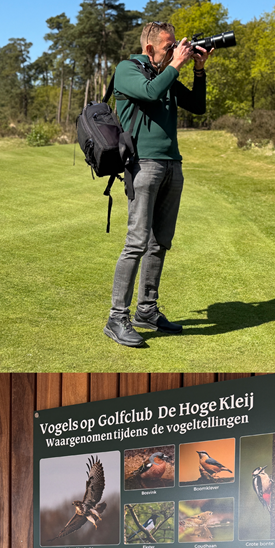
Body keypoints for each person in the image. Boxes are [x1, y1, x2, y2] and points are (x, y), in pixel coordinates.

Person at [103, 21, 213, 347]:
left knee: (159, 242)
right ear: (150, 48)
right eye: (169, 46)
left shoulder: (166, 72)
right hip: (143, 165)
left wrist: (199, 69)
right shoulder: (128, 70)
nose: (174, 50)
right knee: (136, 242)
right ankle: (116, 318)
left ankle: (146, 311)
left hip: (171, 165)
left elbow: (197, 106)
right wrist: (176, 64)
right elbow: (150, 93)